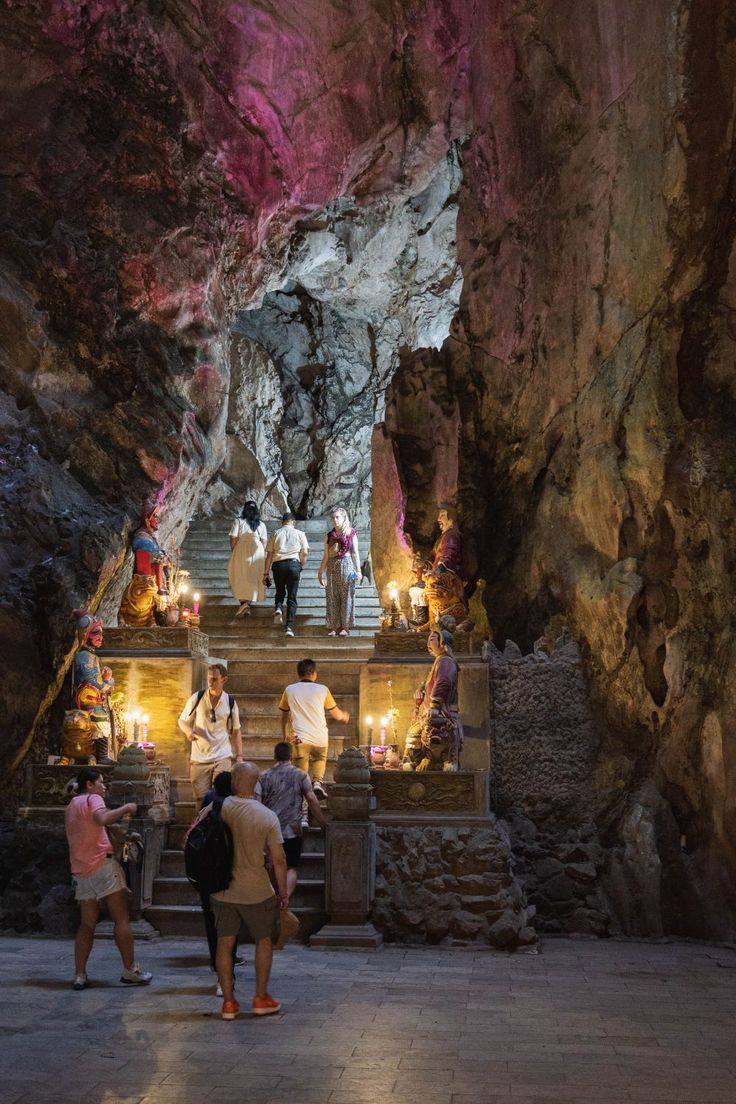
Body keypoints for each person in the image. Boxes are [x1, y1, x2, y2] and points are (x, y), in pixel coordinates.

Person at [211, 761, 288, 1019]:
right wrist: (283, 893)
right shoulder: (267, 816)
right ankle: (260, 996)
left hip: (223, 889)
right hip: (257, 890)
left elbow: (190, 838)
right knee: (263, 940)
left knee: (225, 943)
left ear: (234, 781)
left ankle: (229, 1003)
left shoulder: (218, 808)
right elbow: (278, 860)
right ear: (256, 784)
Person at [65, 766, 152, 990]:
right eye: (101, 782)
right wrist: (127, 807)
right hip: (103, 866)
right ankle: (130, 969)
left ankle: (80, 974)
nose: (104, 787)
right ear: (89, 785)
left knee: (87, 924)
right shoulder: (93, 799)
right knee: (121, 919)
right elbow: (101, 818)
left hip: (82, 870)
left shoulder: (72, 805)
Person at [193, 771, 240, 995]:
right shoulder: (236, 808)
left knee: (212, 923)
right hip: (228, 874)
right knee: (230, 926)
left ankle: (217, 965)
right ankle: (226, 974)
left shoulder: (207, 804)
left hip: (206, 873)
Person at [258, 742, 326, 896]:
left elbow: (256, 803)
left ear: (274, 756)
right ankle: (285, 899)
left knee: (272, 864)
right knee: (290, 867)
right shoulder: (300, 775)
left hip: (270, 830)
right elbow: (312, 800)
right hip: (292, 830)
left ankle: (276, 897)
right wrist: (322, 823)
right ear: (291, 756)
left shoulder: (264, 776)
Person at [278, 658, 350, 801]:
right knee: (320, 759)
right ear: (312, 673)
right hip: (320, 737)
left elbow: (283, 716)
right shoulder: (322, 689)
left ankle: (303, 812)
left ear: (299, 674)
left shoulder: (289, 690)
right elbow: (336, 714)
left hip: (299, 739)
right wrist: (344, 716)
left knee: (301, 776)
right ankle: (317, 782)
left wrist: (285, 734)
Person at [178, 664, 243, 802]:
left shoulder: (230, 702)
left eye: (214, 679)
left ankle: (218, 823)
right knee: (200, 800)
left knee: (221, 796)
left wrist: (239, 756)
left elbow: (236, 730)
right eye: (208, 679)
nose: (210, 682)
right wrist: (188, 730)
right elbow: (182, 721)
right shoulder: (197, 698)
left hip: (222, 755)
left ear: (223, 680)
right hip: (199, 757)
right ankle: (201, 823)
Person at [404, 624, 463, 771]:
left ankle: (449, 759)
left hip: (442, 711)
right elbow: (429, 685)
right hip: (430, 710)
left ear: (442, 644)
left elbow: (444, 682)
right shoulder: (439, 661)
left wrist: (435, 705)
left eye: (432, 639)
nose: (428, 643)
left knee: (430, 731)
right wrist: (420, 694)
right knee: (415, 732)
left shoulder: (446, 661)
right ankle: (419, 758)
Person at [263, 512, 309, 638]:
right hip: (294, 564)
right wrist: (300, 566)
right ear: (293, 522)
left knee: (280, 591)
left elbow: (269, 555)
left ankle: (278, 607)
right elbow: (304, 553)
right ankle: (289, 627)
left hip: (278, 564)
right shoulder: (300, 534)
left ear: (282, 522)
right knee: (292, 597)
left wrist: (266, 573)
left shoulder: (275, 533)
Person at [318, 507, 362, 636]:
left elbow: (355, 553)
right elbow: (326, 556)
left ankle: (345, 627)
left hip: (346, 564)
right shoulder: (329, 535)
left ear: (343, 518)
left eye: (337, 517)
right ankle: (333, 626)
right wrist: (320, 572)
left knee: (346, 596)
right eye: (333, 517)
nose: (335, 520)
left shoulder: (350, 533)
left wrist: (358, 570)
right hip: (332, 565)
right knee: (332, 596)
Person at [228, 499, 268, 618]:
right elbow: (264, 541)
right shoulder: (261, 524)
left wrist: (235, 551)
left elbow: (234, 538)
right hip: (257, 550)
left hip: (241, 549)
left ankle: (244, 604)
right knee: (253, 577)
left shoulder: (239, 521)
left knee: (239, 575)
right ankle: (247, 604)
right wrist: (262, 555)